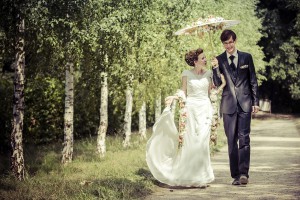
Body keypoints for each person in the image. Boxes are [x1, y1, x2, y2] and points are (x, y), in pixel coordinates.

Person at [146, 48, 225, 188]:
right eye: (203, 58)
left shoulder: (209, 73)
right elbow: (183, 91)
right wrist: (174, 97)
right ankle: (188, 175)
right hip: (191, 109)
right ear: (195, 61)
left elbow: (211, 91)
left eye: (205, 57)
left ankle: (202, 177)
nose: (205, 60)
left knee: (202, 141)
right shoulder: (186, 74)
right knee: (191, 141)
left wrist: (219, 79)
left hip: (205, 110)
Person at [212, 29, 259, 186]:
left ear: (235, 41)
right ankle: (236, 175)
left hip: (245, 104)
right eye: (225, 43)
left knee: (244, 139)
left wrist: (256, 102)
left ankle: (244, 173)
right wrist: (214, 69)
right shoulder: (218, 60)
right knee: (231, 141)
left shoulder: (246, 57)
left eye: (231, 42)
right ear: (223, 44)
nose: (229, 45)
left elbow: (253, 80)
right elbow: (218, 84)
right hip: (228, 106)